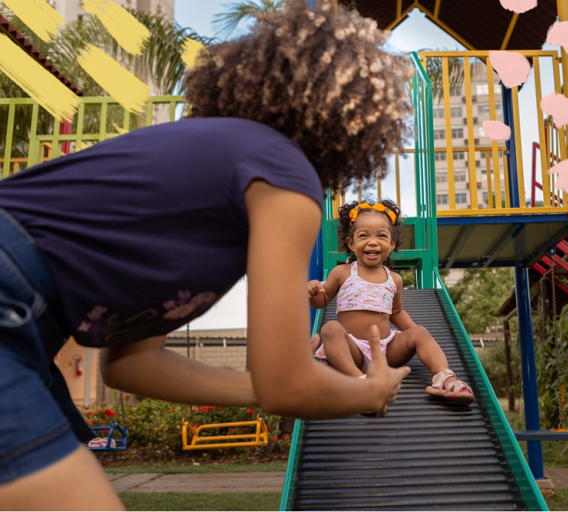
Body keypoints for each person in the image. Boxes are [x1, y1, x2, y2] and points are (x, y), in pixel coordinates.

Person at [0, 1, 413, 509]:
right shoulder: (283, 170)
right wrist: (371, 392)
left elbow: (132, 365)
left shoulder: (208, 174)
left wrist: (259, 387)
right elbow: (287, 383)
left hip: (28, 323)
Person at [308, 199, 474, 405]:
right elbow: (322, 301)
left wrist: (418, 336)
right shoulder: (341, 272)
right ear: (351, 243)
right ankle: (359, 381)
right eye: (363, 236)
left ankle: (445, 378)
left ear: (392, 244)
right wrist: (315, 293)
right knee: (330, 329)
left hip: (386, 351)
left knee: (420, 332)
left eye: (381, 236)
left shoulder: (394, 279)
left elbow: (396, 313)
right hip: (353, 351)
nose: (373, 242)